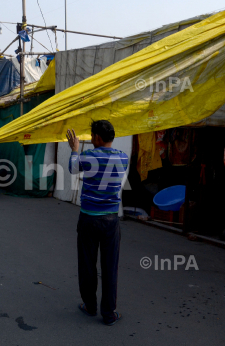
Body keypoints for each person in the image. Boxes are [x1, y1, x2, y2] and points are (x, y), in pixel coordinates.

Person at [66, 120, 129, 326]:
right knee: (110, 267)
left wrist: (74, 149)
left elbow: (73, 169)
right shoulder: (123, 158)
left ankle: (90, 306)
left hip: (89, 218)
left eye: (92, 136)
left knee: (87, 264)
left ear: (98, 138)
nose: (91, 140)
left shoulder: (87, 157)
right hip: (111, 220)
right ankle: (109, 313)